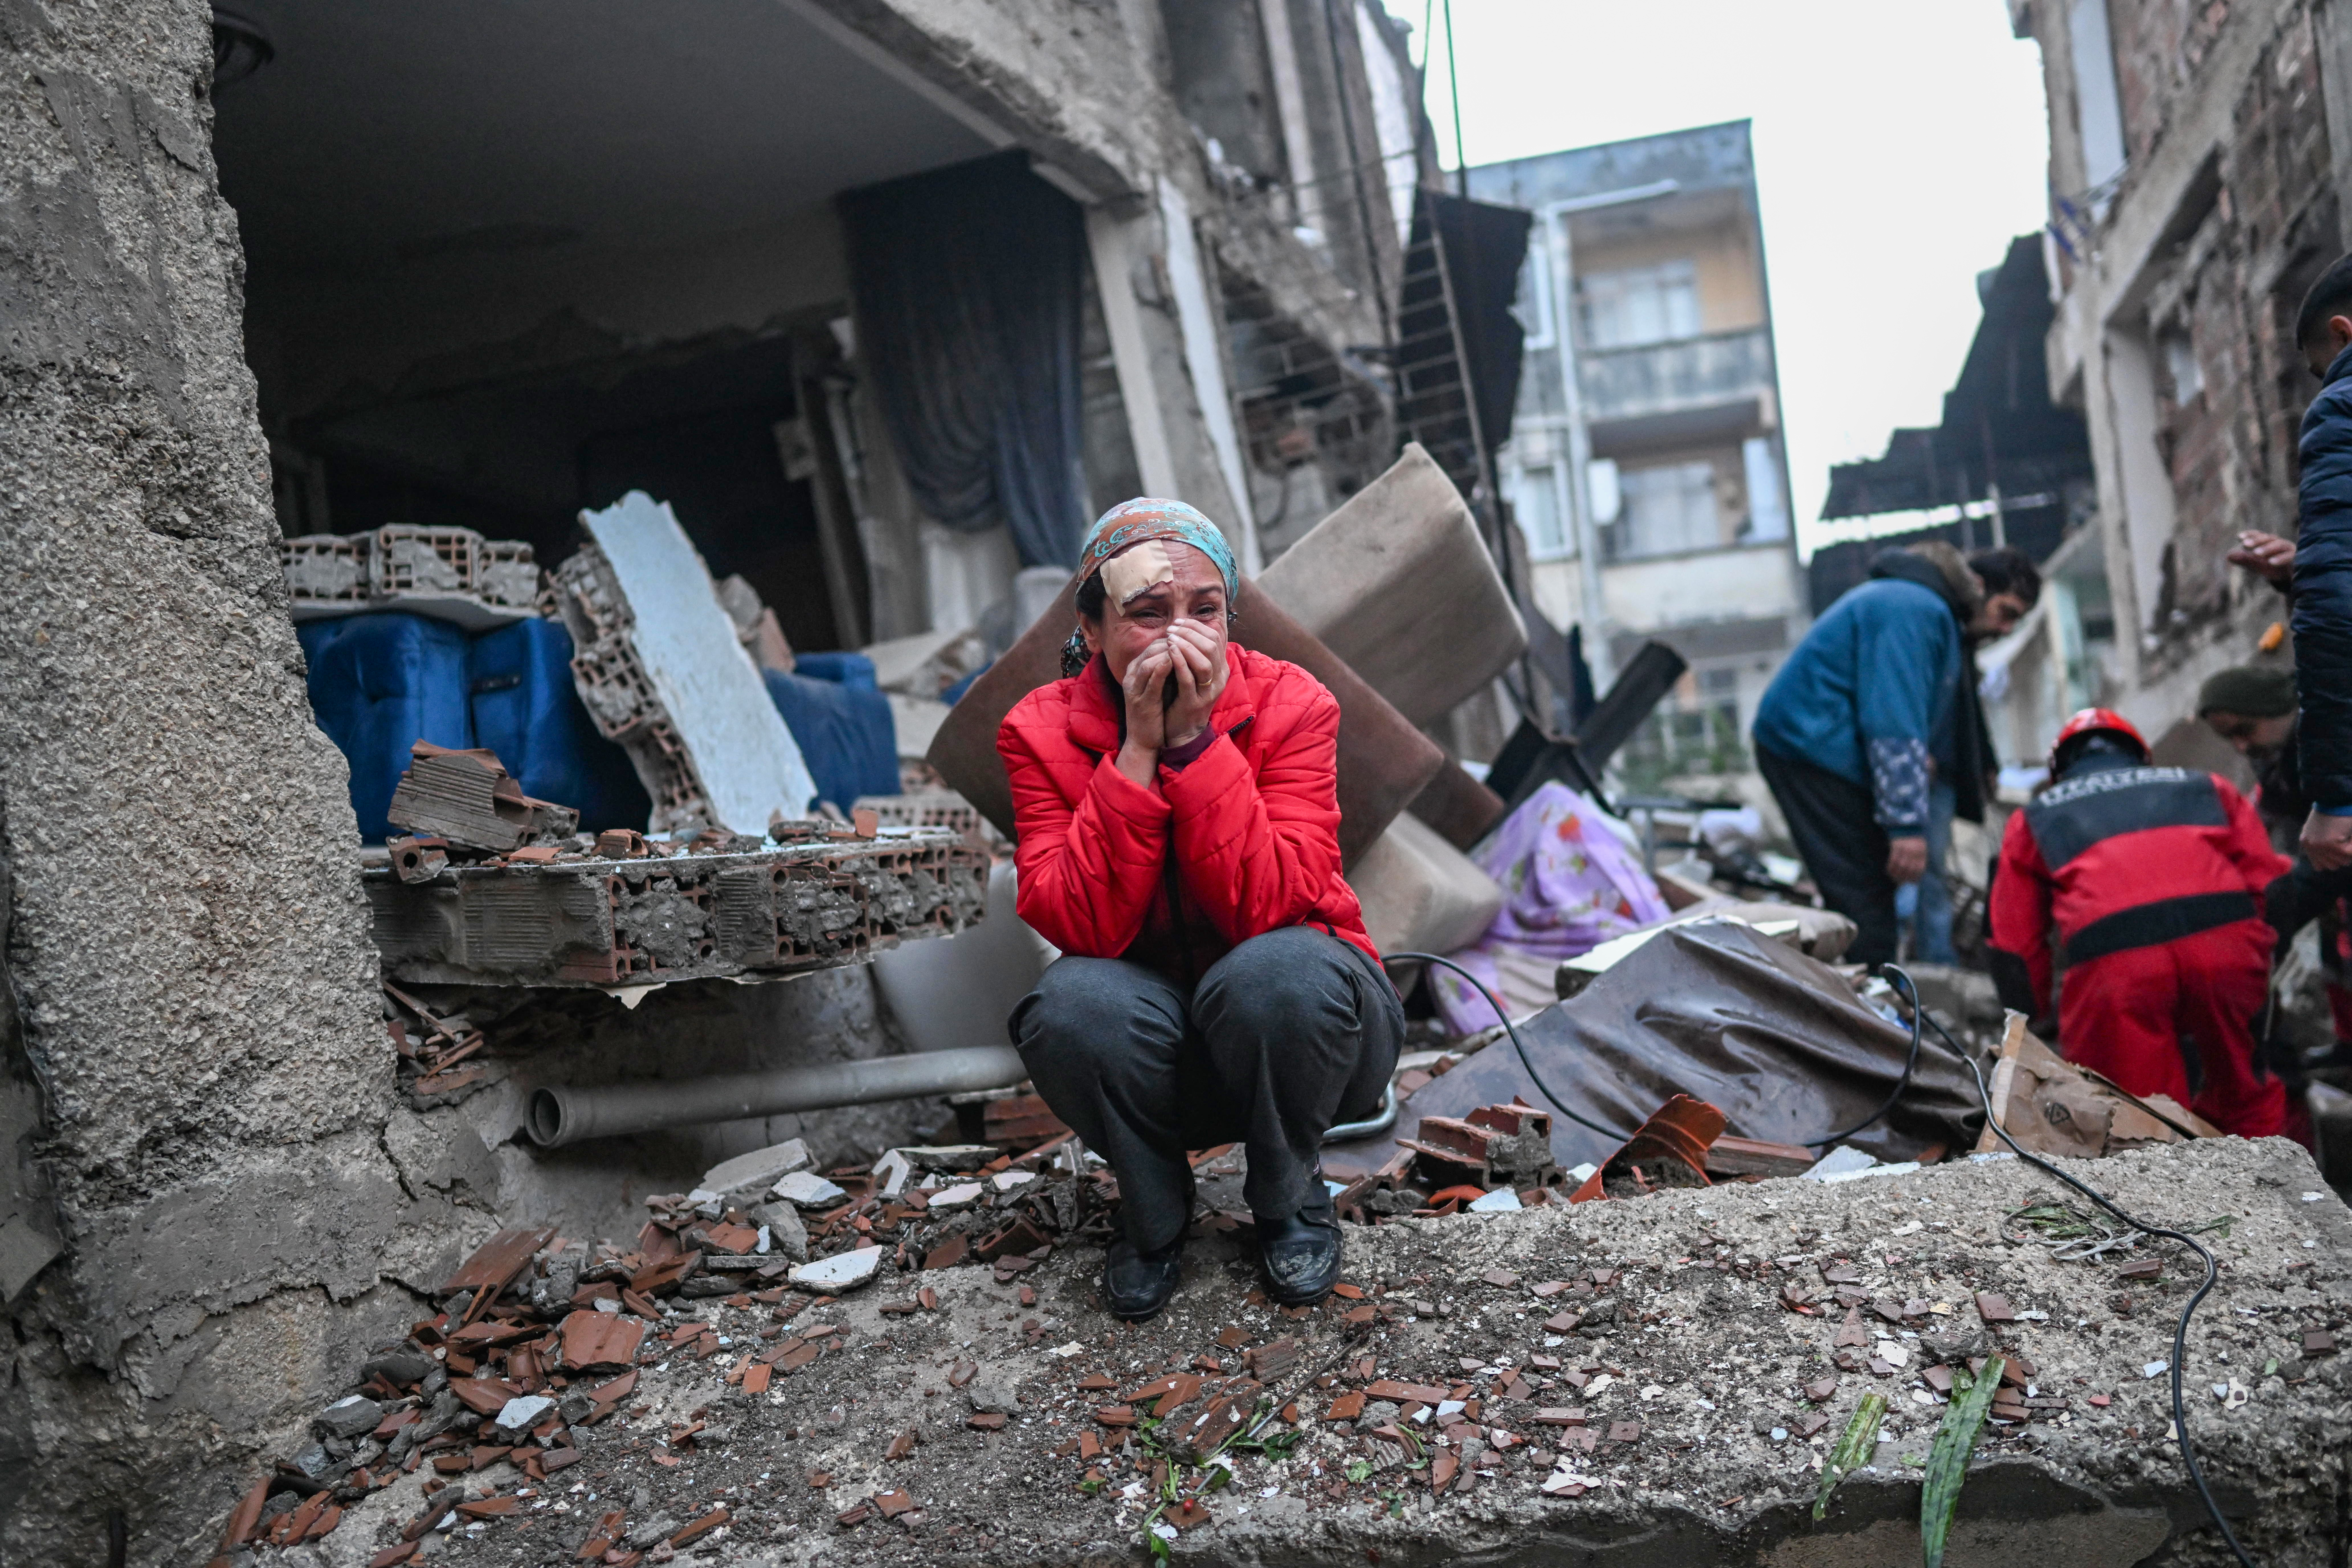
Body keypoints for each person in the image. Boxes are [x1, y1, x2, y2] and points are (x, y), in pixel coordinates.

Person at [997, 498, 1402, 1321]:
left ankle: (1290, 1200)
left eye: (1204, 611)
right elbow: (1084, 927)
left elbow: (1274, 907)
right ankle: (1155, 1214)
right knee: (1068, 1004)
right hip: (1162, 1062)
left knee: (1275, 973)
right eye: (1148, 614)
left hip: (1311, 1036)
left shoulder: (1295, 705)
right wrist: (1139, 753)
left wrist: (1195, 744)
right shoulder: (1035, 733)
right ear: (1094, 627)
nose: (1182, 635)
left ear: (1230, 618)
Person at [1986, 709, 2294, 1138]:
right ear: (2141, 756)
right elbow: (2269, 883)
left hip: (2117, 970)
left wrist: (2033, 1015)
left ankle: (2169, 1200)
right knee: (2248, 1089)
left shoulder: (2036, 817)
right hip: (2226, 949)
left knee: (2135, 1112)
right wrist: (2261, 961)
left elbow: (2015, 938)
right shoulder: (2207, 786)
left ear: (2060, 771)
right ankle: (2280, 1194)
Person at [1752, 542, 2037, 965]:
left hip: (1815, 749)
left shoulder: (1918, 607)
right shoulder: (1916, 611)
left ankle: (1869, 997)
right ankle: (1874, 1008)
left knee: (1867, 893)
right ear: (1977, 586)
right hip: (1811, 750)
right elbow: (1893, 721)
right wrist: (1906, 826)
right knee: (1865, 896)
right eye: (2008, 613)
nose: (2008, 629)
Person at [2288, 253, 2352, 873]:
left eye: (2321, 371)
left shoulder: (2342, 410)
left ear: (2343, 334)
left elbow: (2335, 605)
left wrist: (2335, 796)